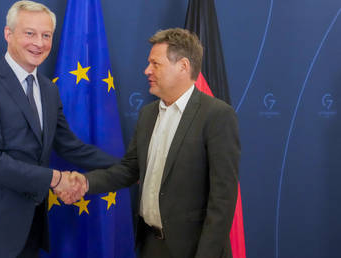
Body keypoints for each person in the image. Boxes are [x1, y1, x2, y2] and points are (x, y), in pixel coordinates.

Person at [0, 1, 116, 257]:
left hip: (28, 230)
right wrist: (56, 179)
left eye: (46, 35)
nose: (39, 43)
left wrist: (126, 168)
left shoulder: (48, 89)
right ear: (8, 34)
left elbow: (69, 145)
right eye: (29, 33)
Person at [67, 28, 241, 258]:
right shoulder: (148, 114)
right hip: (151, 246)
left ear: (183, 66)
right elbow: (130, 169)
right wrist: (87, 183)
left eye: (155, 64)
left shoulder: (217, 115)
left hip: (193, 251)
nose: (147, 70)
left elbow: (223, 200)